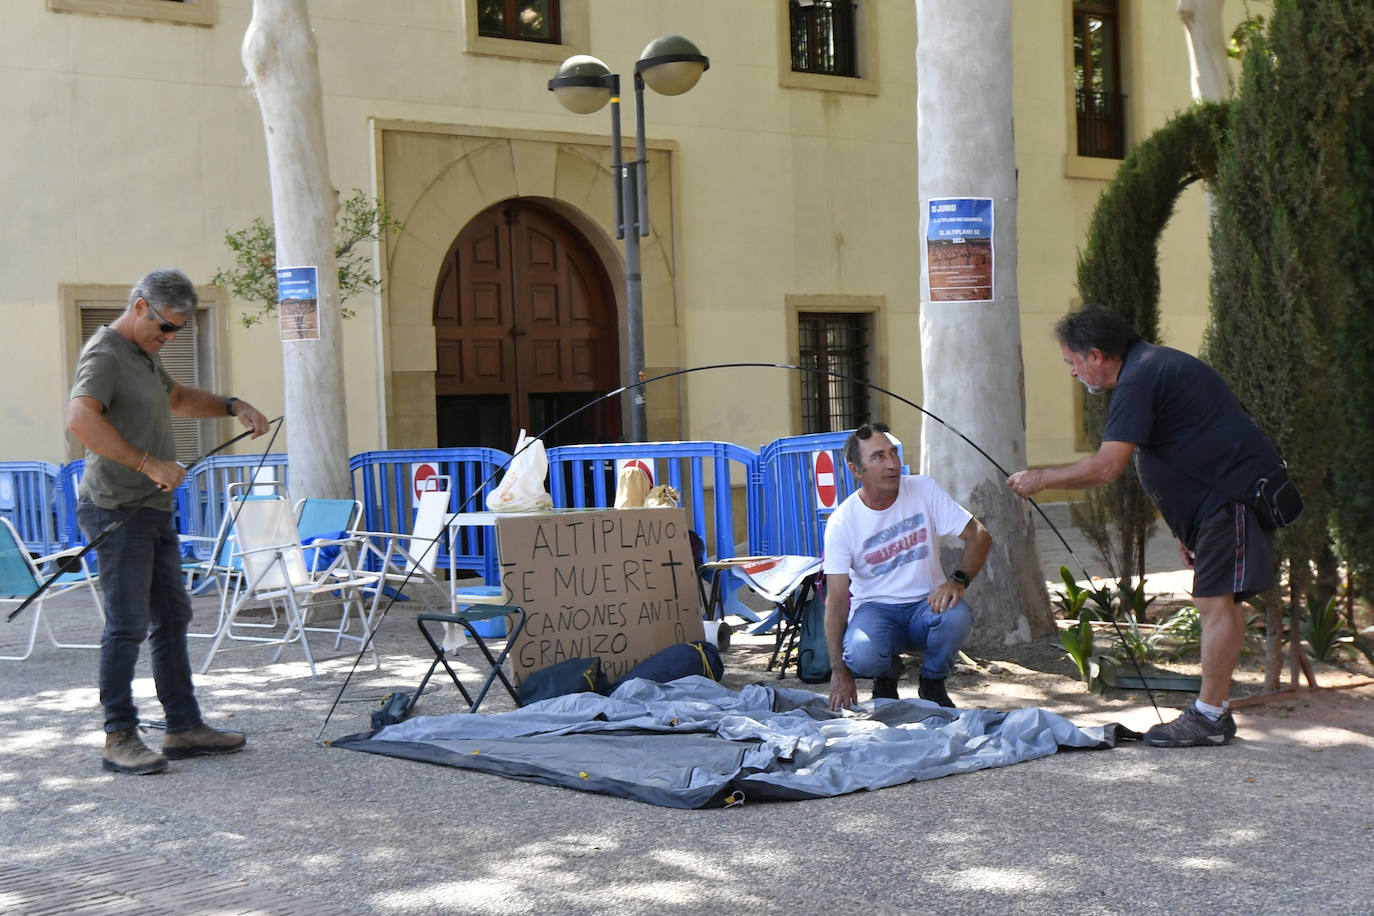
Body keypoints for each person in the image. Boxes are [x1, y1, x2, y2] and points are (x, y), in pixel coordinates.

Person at [1007, 304, 1282, 747]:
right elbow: (1185, 446)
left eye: (1072, 363)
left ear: (1095, 355)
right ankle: (1216, 712)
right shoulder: (1150, 368)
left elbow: (1106, 467)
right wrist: (1184, 528)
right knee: (1221, 604)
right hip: (1219, 506)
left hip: (1231, 501)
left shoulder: (1140, 378)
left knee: (1216, 605)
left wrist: (1042, 478)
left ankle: (1209, 717)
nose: (1072, 373)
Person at [68, 269, 270, 775]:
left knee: (174, 617)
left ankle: (182, 726)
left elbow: (177, 399)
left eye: (178, 330)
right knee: (127, 624)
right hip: (116, 506)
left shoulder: (143, 356)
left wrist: (231, 405)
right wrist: (148, 464)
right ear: (139, 306)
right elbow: (80, 420)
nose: (169, 337)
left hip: (152, 510)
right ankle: (119, 736)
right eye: (165, 327)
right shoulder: (105, 354)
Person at [823, 422, 992, 711]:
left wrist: (957, 581)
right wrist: (839, 671)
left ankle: (932, 683)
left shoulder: (923, 489)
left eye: (893, 453)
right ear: (855, 469)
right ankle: (886, 677)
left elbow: (979, 535)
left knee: (957, 616)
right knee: (860, 653)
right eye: (878, 457)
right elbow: (837, 599)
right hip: (875, 611)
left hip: (925, 608)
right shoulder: (842, 521)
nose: (892, 464)